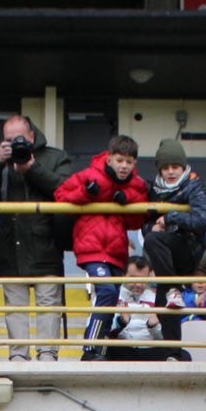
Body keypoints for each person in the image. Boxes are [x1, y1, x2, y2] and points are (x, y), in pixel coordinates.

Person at [0, 115, 76, 362]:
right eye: (8, 140)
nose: (15, 144)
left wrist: (32, 169)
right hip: (9, 246)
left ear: (32, 135)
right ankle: (18, 357)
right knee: (15, 308)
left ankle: (47, 355)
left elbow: (66, 190)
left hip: (46, 245)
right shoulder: (1, 163)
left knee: (49, 306)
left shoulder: (56, 157)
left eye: (19, 139)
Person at [55, 137, 149, 358]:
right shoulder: (90, 175)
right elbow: (61, 196)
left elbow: (138, 221)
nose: (124, 166)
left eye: (129, 161)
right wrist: (87, 194)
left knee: (111, 298)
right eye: (119, 160)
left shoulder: (136, 185)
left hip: (117, 252)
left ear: (134, 163)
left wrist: (127, 200)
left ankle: (99, 348)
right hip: (92, 248)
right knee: (106, 291)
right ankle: (90, 348)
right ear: (109, 158)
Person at [142, 139, 206, 354]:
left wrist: (171, 218)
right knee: (163, 303)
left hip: (188, 250)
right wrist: (152, 227)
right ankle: (174, 355)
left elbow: (203, 221)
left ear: (183, 167)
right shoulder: (154, 190)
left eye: (175, 167)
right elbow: (146, 222)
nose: (171, 172)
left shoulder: (194, 185)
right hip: (165, 255)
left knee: (166, 289)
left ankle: (174, 288)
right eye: (166, 168)